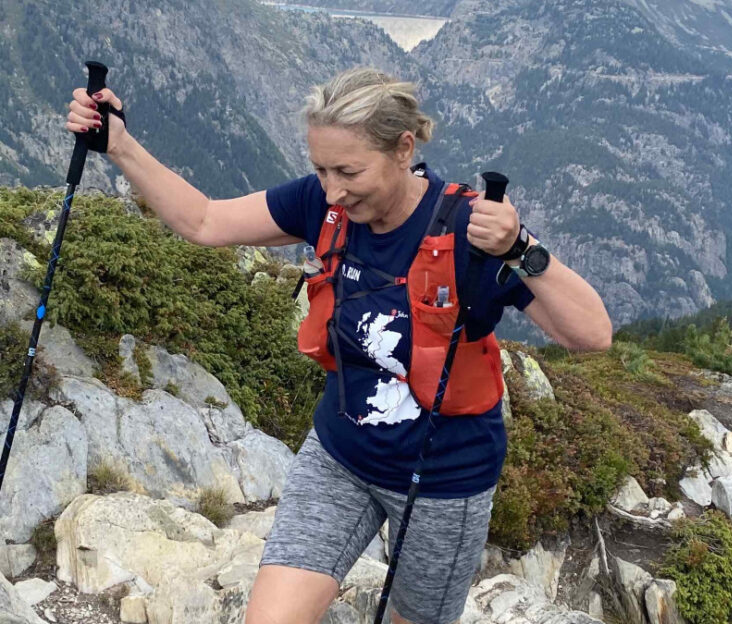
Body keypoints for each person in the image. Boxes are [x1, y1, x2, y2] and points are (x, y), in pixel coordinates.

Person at [64, 67, 611, 624]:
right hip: (340, 458)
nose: (333, 190)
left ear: (404, 149)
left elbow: (592, 334)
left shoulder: (471, 229)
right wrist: (121, 146)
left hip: (445, 483)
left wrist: (520, 247)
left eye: (349, 170)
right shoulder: (323, 206)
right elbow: (206, 219)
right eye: (320, 169)